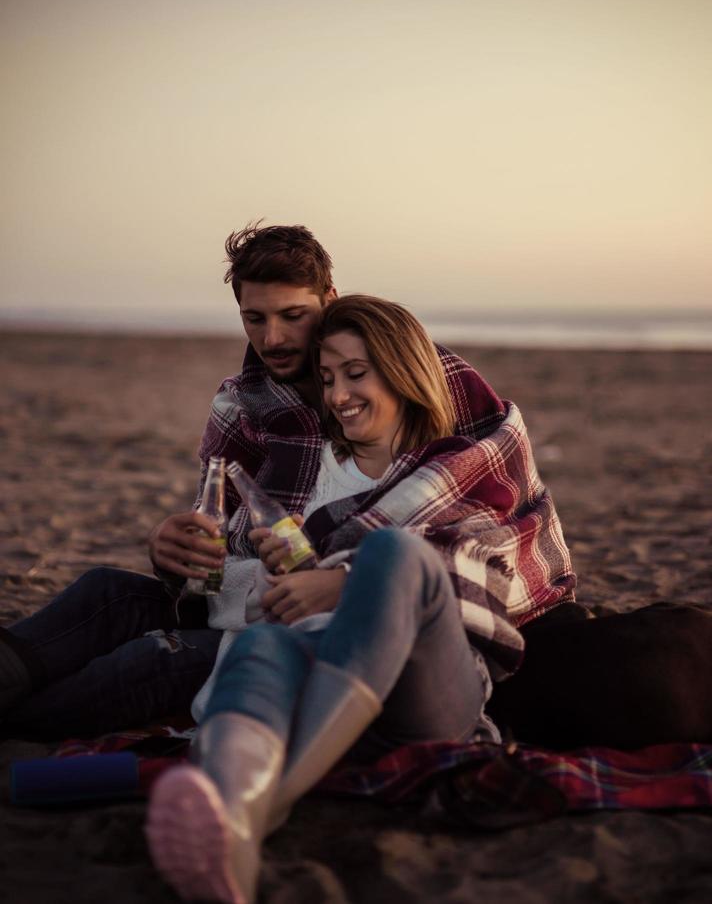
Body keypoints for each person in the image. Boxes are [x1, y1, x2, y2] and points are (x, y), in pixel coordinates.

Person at [2, 224, 565, 739]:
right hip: (246, 599)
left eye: (293, 316)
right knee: (106, 592)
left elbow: (495, 514)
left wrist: (342, 576)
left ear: (330, 301)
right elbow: (217, 552)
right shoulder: (244, 403)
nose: (273, 339)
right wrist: (176, 553)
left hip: (332, 625)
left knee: (154, 659)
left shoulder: (423, 382)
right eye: (256, 318)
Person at [145, 294, 575, 904]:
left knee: (395, 554)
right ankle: (232, 819)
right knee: (261, 643)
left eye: (356, 373)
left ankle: (275, 801)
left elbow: (477, 566)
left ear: (403, 372)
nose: (339, 395)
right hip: (319, 677)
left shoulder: (461, 463)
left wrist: (346, 578)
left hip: (423, 699)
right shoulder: (323, 475)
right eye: (326, 379)